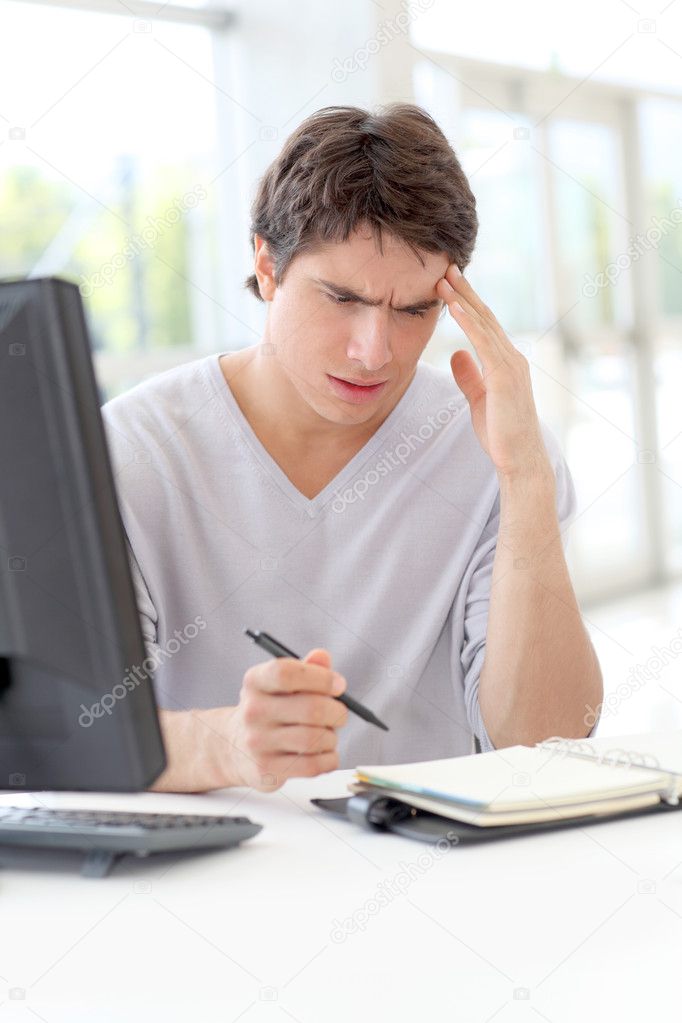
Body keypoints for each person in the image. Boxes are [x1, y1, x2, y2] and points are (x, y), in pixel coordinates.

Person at [101, 103, 603, 794]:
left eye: (414, 309)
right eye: (340, 297)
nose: (374, 352)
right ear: (267, 266)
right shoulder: (131, 453)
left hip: (447, 870)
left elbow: (545, 742)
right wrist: (223, 745)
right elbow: (64, 735)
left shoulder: (496, 450)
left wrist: (524, 482)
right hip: (213, 878)